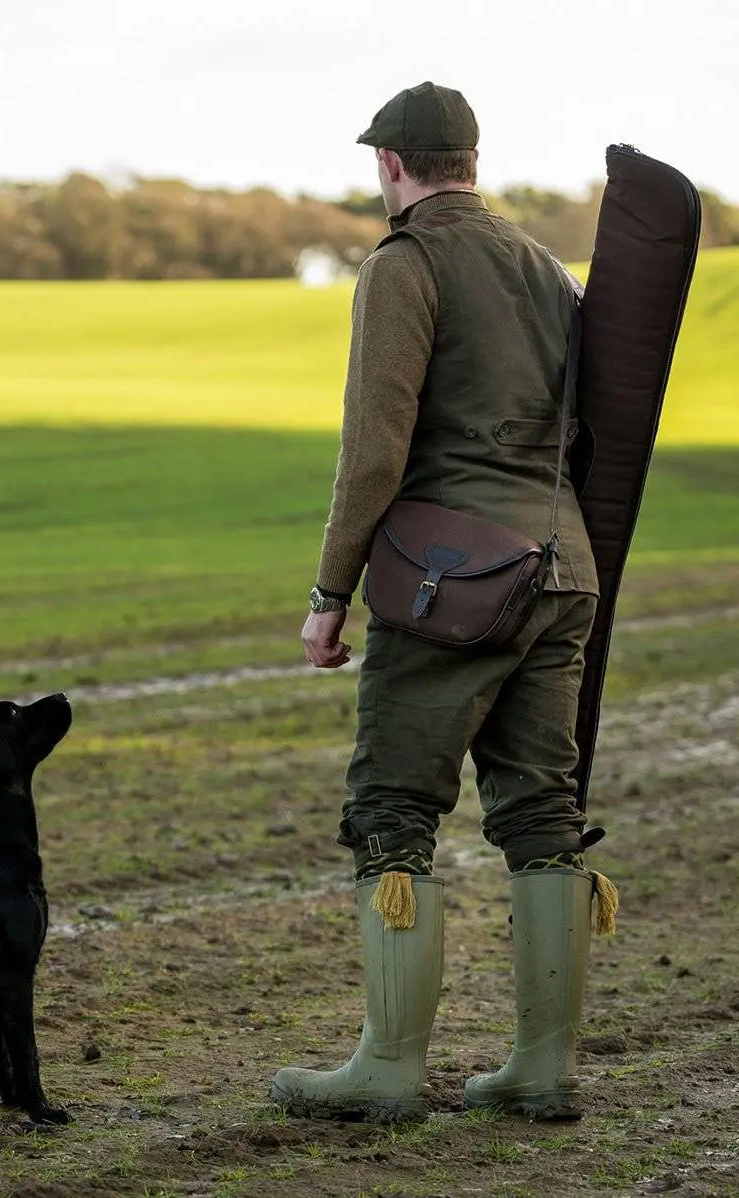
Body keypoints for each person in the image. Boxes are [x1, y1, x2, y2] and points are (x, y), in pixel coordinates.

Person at [270, 82, 613, 1124]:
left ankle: (387, 1065)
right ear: (470, 155)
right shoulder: (543, 266)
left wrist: (332, 590)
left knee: (392, 809)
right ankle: (541, 1067)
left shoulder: (405, 264)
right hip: (565, 568)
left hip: (455, 580)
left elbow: (375, 450)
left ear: (391, 165)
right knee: (543, 813)